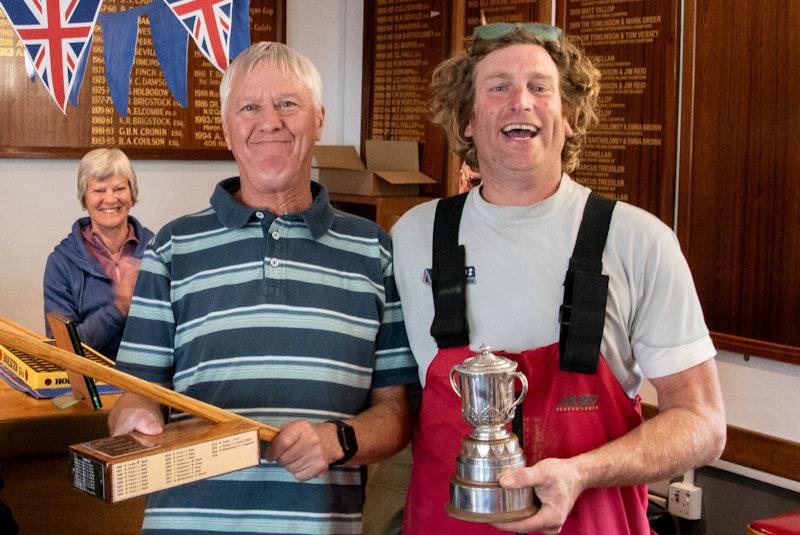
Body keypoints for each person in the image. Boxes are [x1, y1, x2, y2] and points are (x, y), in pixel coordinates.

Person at [391, 22, 726, 534]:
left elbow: (702, 425)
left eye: (540, 87)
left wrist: (582, 472)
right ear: (466, 120)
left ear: (568, 117)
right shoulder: (413, 236)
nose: (520, 101)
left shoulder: (638, 239)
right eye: (498, 86)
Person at [108, 42, 417, 535]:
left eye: (288, 104)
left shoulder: (375, 252)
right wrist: (133, 419)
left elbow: (397, 411)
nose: (269, 121)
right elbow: (135, 393)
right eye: (249, 107)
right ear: (228, 128)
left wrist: (338, 440)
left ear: (318, 119)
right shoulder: (172, 246)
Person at [43, 148, 153, 360]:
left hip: (153, 384)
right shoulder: (61, 263)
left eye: (119, 188)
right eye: (99, 190)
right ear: (84, 198)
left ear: (132, 195)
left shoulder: (159, 251)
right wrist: (119, 308)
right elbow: (62, 350)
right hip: (93, 386)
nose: (110, 199)